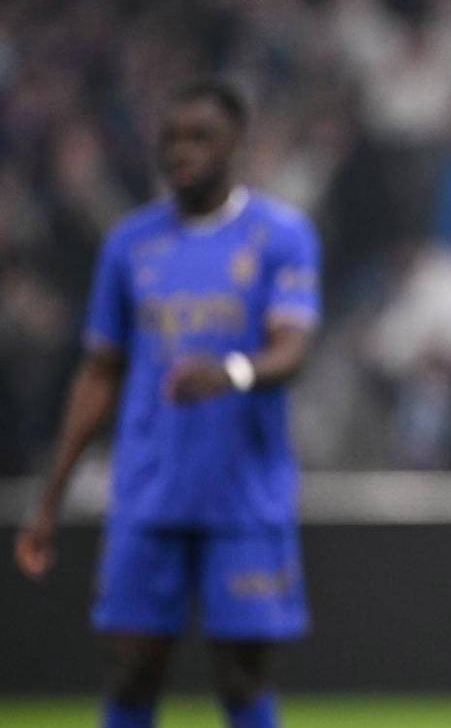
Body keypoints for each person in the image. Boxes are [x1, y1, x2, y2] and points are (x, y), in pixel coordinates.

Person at [14, 79, 320, 728]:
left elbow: (293, 349)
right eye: (172, 138)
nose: (182, 151)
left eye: (200, 136)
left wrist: (232, 372)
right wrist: (51, 498)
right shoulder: (129, 245)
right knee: (130, 672)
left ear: (236, 143)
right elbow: (99, 373)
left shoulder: (280, 236)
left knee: (241, 679)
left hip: (242, 497)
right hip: (148, 493)